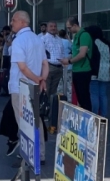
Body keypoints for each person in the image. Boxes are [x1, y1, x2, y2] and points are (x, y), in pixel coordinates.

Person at [7, 11, 48, 160]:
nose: (12, 22)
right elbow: (45, 63)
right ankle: (40, 154)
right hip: (34, 87)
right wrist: (42, 79)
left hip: (20, 87)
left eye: (14, 20)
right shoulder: (38, 39)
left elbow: (22, 67)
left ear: (23, 22)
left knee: (24, 122)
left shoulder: (19, 40)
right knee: (36, 120)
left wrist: (38, 78)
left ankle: (29, 155)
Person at [61, 16, 93, 110]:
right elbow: (75, 53)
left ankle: (88, 118)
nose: (68, 30)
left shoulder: (84, 35)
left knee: (84, 97)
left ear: (75, 25)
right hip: (77, 69)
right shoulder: (76, 36)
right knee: (80, 97)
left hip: (83, 70)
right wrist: (66, 59)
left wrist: (69, 61)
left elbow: (82, 54)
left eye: (69, 28)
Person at [84, 25, 110, 117]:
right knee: (103, 95)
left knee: (94, 94)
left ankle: (94, 115)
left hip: (94, 71)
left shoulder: (92, 43)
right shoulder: (105, 44)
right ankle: (104, 116)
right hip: (105, 71)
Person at [42, 21, 66, 96]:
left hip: (59, 68)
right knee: (46, 89)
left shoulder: (59, 39)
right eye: (51, 26)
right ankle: (44, 107)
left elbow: (62, 52)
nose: (53, 28)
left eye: (55, 26)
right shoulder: (43, 39)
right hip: (49, 67)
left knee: (54, 91)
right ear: (47, 28)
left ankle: (51, 107)